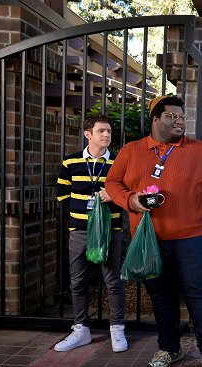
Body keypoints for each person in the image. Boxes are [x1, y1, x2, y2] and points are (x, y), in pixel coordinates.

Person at [105, 96, 202, 367]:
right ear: (155, 119)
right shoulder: (132, 151)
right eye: (172, 116)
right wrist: (130, 200)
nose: (179, 121)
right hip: (148, 239)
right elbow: (112, 182)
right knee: (161, 295)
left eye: (182, 118)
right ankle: (169, 348)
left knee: (198, 292)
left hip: (194, 236)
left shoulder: (197, 150)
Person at [55, 114, 127, 353]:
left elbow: (126, 195)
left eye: (108, 131)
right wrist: (79, 218)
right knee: (77, 280)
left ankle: (117, 329)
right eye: (101, 131)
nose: (106, 135)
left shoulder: (118, 163)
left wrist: (112, 197)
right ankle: (81, 329)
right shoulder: (70, 162)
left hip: (110, 230)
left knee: (112, 280)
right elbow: (62, 196)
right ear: (88, 134)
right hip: (80, 231)